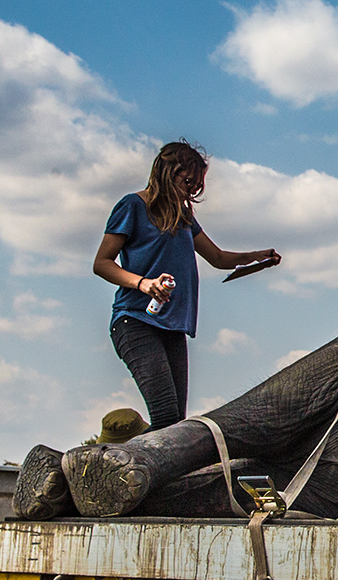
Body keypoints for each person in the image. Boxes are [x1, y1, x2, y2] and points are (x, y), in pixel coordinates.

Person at [93, 142, 280, 431]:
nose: (191, 189)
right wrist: (143, 284)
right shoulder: (133, 206)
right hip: (135, 321)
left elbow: (217, 258)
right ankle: (129, 469)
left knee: (175, 427)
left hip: (173, 328)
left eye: (197, 185)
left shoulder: (184, 216)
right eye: (187, 180)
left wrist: (259, 258)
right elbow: (102, 262)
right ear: (168, 171)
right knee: (166, 417)